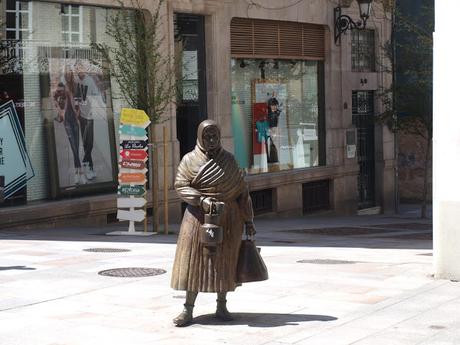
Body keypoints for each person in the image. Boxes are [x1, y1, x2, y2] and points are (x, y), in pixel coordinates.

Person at [171, 119, 256, 327]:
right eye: (207, 136)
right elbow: (180, 185)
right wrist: (201, 199)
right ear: (200, 137)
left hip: (228, 219)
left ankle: (222, 305)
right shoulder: (189, 160)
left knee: (225, 262)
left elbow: (242, 192)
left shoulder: (229, 160)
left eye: (215, 136)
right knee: (193, 263)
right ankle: (188, 309)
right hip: (198, 218)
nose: (211, 140)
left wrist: (248, 220)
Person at [53, 65, 86, 185]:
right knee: (73, 147)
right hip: (67, 120)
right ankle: (80, 173)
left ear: (71, 74)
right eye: (65, 73)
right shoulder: (62, 86)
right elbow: (55, 98)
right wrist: (60, 111)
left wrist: (79, 110)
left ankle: (78, 173)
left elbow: (80, 100)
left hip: (75, 120)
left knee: (76, 146)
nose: (67, 75)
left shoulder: (75, 86)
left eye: (69, 73)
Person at [74, 60, 102, 181]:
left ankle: (86, 164)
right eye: (77, 68)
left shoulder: (89, 81)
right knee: (86, 143)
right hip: (82, 116)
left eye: (81, 68)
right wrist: (77, 110)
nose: (80, 70)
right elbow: (77, 97)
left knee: (89, 143)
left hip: (89, 116)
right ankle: (89, 168)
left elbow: (96, 96)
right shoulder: (76, 81)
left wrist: (93, 108)